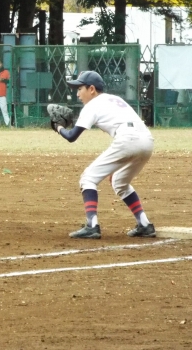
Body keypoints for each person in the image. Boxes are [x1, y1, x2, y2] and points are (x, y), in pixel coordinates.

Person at [52, 70, 155, 239]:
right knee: (119, 182)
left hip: (128, 140)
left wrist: (58, 127)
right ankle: (144, 224)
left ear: (91, 89)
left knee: (88, 178)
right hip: (147, 141)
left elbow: (71, 136)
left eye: (80, 89)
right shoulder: (115, 99)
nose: (78, 94)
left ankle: (92, 226)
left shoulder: (92, 105)